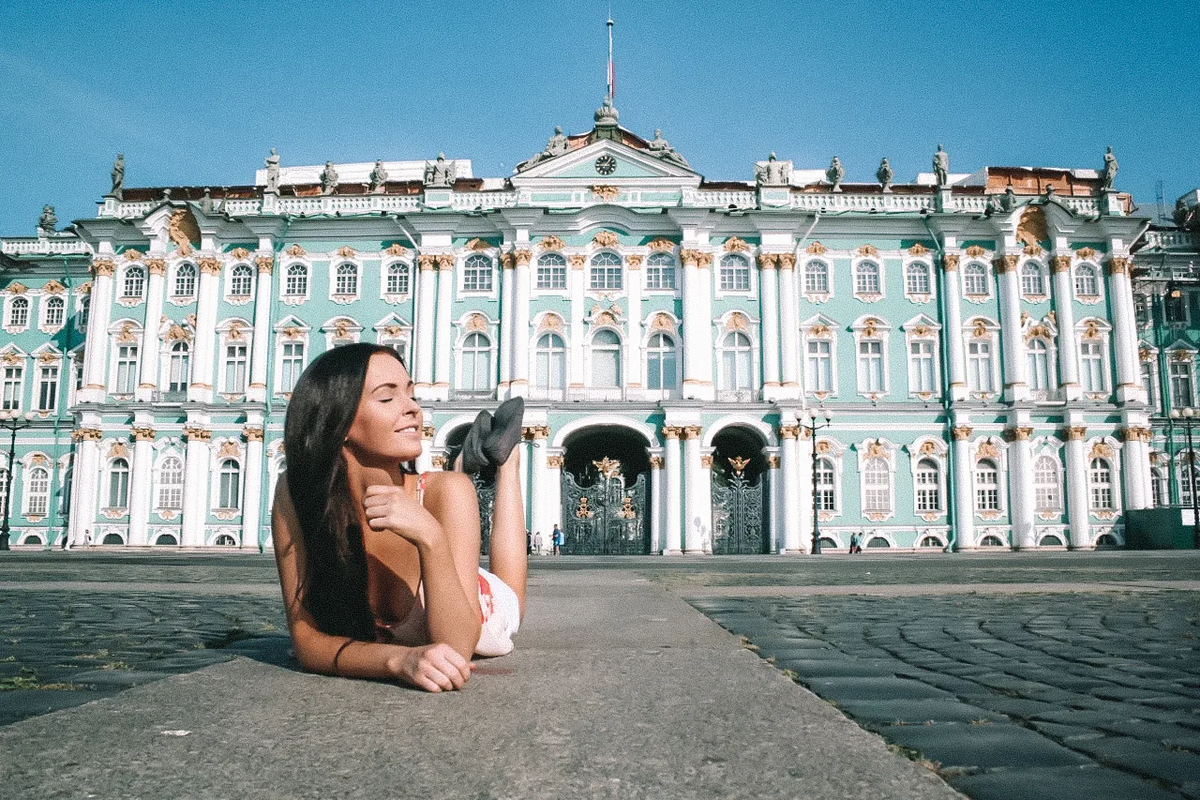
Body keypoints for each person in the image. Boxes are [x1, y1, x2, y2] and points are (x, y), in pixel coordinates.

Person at [271, 343, 528, 692]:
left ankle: (508, 461)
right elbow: (305, 639)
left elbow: (456, 648)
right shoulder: (297, 494)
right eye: (387, 398)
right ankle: (468, 461)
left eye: (411, 395)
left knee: (510, 597)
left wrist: (431, 537)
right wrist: (397, 661)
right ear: (339, 421)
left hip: (477, 606)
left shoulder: (445, 493)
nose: (413, 409)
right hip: (439, 571)